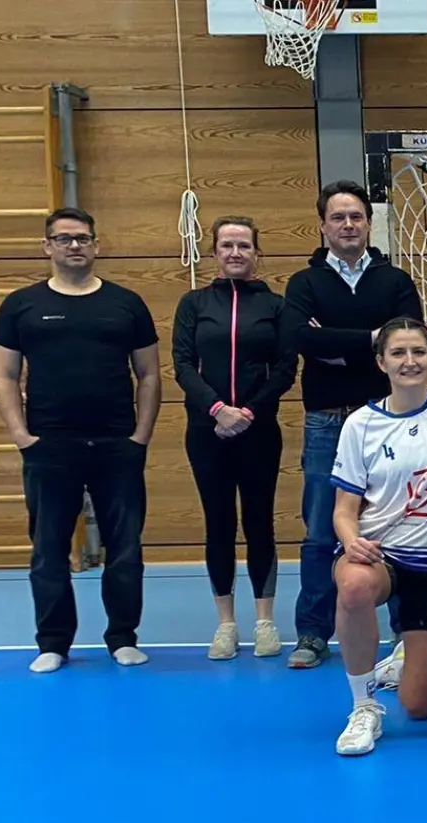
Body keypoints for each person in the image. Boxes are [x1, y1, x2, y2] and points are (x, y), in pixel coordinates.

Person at [0, 208, 161, 674]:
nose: (74, 246)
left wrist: (141, 435)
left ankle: (122, 637)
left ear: (96, 245)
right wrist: (21, 436)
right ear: (47, 246)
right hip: (49, 446)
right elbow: (5, 376)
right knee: (48, 550)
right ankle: (53, 643)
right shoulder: (20, 305)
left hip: (116, 444)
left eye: (82, 238)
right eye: (64, 238)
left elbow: (148, 374)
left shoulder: (126, 304)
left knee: (125, 549)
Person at [326, 319, 427, 755]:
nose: (410, 361)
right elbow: (343, 511)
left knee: (418, 705)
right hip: (385, 557)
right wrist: (351, 540)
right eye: (398, 353)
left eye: (418, 352)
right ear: (381, 362)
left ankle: (412, 660)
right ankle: (364, 707)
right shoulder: (360, 424)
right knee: (354, 584)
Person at [282, 180, 424, 669]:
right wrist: (371, 339)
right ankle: (312, 633)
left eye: (356, 216)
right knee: (322, 529)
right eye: (338, 217)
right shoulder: (305, 283)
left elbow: (406, 340)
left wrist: (335, 342)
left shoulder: (394, 280)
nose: (348, 225)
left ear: (369, 222)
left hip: (387, 419)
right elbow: (299, 338)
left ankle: (408, 631)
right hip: (327, 419)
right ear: (323, 226)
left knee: (399, 524)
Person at [172, 215, 298, 661]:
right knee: (219, 523)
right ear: (214, 253)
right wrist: (217, 410)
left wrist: (247, 411)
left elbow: (286, 367)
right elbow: (182, 364)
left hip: (257, 431)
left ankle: (265, 621)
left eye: (244, 245)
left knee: (260, 522)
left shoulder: (276, 306)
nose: (235, 252)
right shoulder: (193, 303)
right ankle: (225, 623)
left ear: (257, 253)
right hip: (207, 432)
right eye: (227, 245)